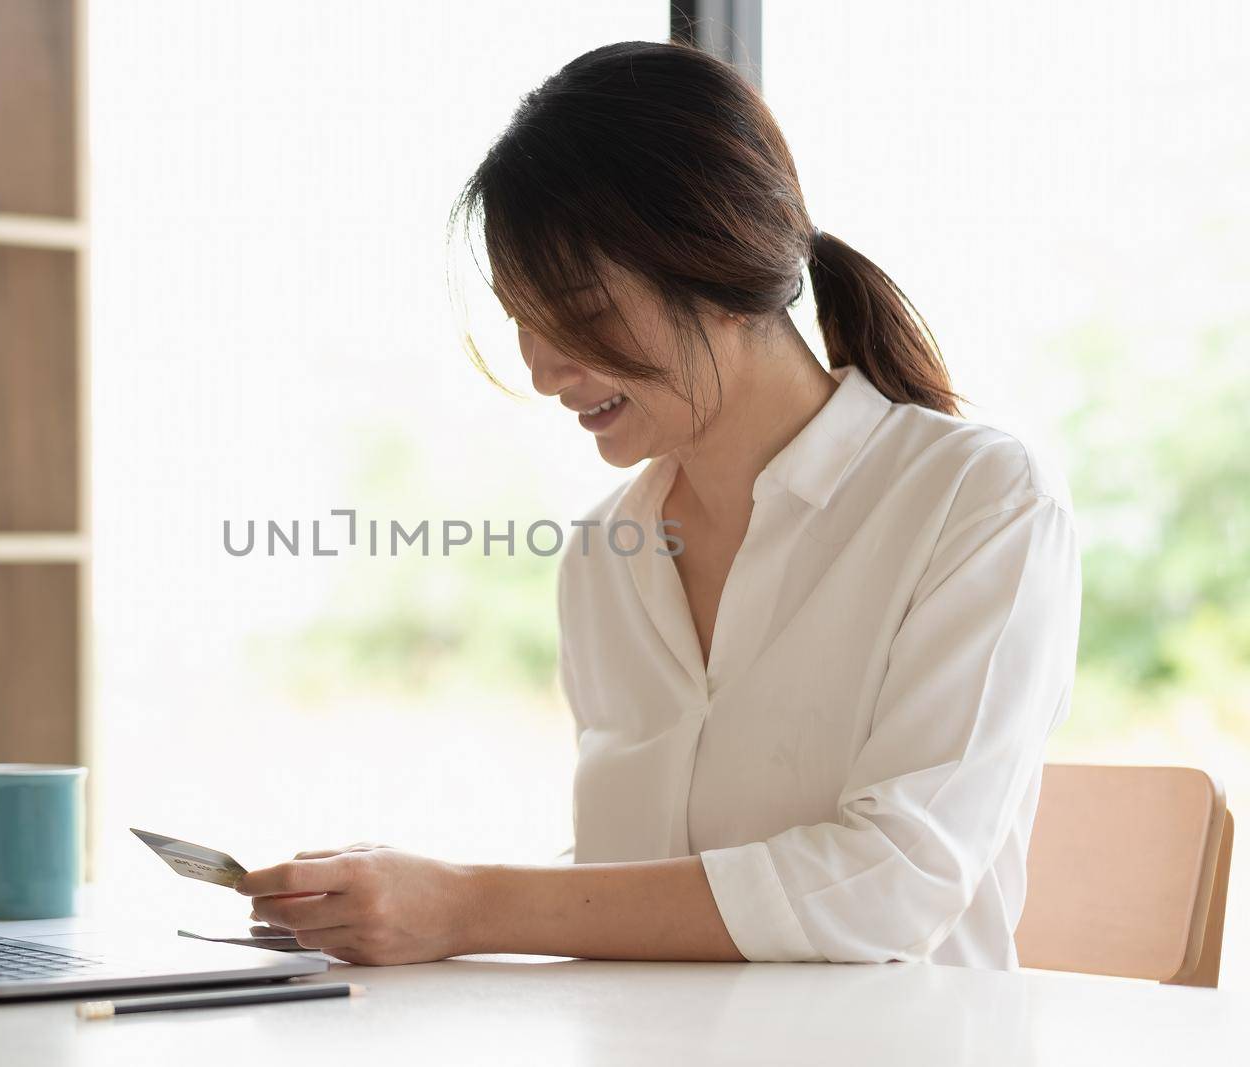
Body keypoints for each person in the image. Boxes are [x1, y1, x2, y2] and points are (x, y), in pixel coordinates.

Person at [236, 39, 1082, 970]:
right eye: (522, 317)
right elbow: (631, 881)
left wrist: (468, 907)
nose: (542, 368)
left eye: (579, 312)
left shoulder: (977, 504)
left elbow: (891, 882)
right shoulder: (605, 557)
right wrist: (397, 904)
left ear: (717, 271)